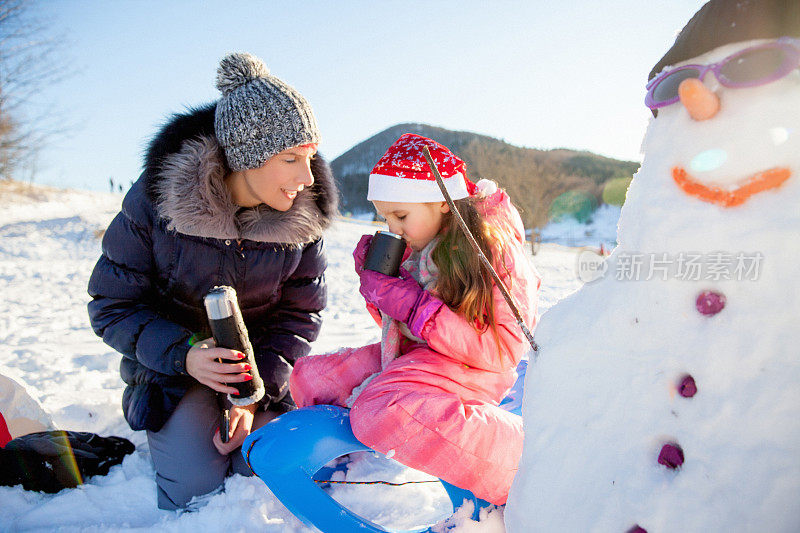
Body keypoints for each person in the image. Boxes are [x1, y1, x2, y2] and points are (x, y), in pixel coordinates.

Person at [87, 52, 338, 510]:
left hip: (260, 374)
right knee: (193, 494)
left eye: (310, 158)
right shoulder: (158, 202)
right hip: (172, 374)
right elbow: (111, 305)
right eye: (290, 159)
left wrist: (252, 395)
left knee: (266, 468)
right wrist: (185, 355)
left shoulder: (303, 223)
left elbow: (300, 316)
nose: (307, 178)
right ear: (247, 157)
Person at [290, 134, 540, 505]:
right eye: (386, 217)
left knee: (377, 410)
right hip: (422, 356)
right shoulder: (418, 247)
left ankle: (517, 458)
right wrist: (380, 289)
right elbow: (401, 332)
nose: (393, 228)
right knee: (310, 378)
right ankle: (352, 464)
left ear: (442, 201)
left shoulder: (492, 248)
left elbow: (503, 351)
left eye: (401, 215)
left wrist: (412, 305)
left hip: (475, 368)